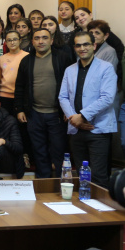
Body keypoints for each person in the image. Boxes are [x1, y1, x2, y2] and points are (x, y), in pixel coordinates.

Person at [58, 32, 117, 188]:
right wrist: (74, 118)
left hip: (98, 129)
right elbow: (62, 97)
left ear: (94, 46)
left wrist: (82, 116)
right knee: (82, 176)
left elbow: (107, 98)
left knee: (98, 175)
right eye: (78, 45)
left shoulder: (106, 68)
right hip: (76, 130)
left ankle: (101, 204)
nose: (82, 48)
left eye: (86, 44)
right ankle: (84, 203)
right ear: (74, 48)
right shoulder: (69, 70)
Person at [14, 28, 72, 178]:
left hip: (57, 114)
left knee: (58, 150)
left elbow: (72, 86)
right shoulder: (26, 61)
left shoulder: (63, 58)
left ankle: (59, 182)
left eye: (45, 38)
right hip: (34, 113)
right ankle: (43, 180)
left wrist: (69, 110)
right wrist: (19, 109)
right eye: (37, 38)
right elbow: (19, 86)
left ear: (51, 41)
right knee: (39, 150)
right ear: (32, 42)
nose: (41, 41)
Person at [0, 29, 30, 168]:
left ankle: (24, 156)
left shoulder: (27, 56)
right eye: (9, 40)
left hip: (20, 98)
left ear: (20, 40)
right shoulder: (2, 58)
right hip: (4, 97)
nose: (12, 42)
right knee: (5, 128)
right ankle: (7, 157)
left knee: (22, 128)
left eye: (15, 39)